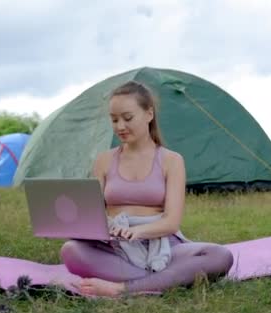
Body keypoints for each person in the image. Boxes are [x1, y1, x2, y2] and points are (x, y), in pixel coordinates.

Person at [60, 81, 234, 297]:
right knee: (71, 251)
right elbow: (91, 216)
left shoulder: (172, 160)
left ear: (149, 114)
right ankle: (164, 280)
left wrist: (138, 231)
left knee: (220, 256)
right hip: (117, 246)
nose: (120, 127)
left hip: (162, 246)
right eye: (114, 120)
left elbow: (171, 222)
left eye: (128, 118)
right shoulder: (104, 161)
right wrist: (84, 228)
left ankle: (122, 288)